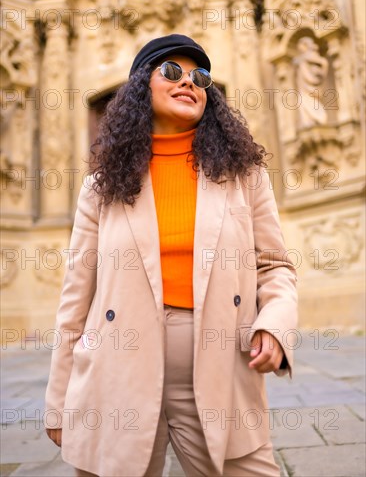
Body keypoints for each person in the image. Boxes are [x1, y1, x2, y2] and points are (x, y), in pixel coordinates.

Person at [45, 34, 298, 477]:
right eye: (172, 71)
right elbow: (75, 299)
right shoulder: (101, 186)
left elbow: (274, 266)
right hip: (115, 376)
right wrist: (57, 400)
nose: (189, 83)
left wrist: (275, 326)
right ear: (143, 86)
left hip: (220, 368)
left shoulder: (244, 176)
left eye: (201, 76)